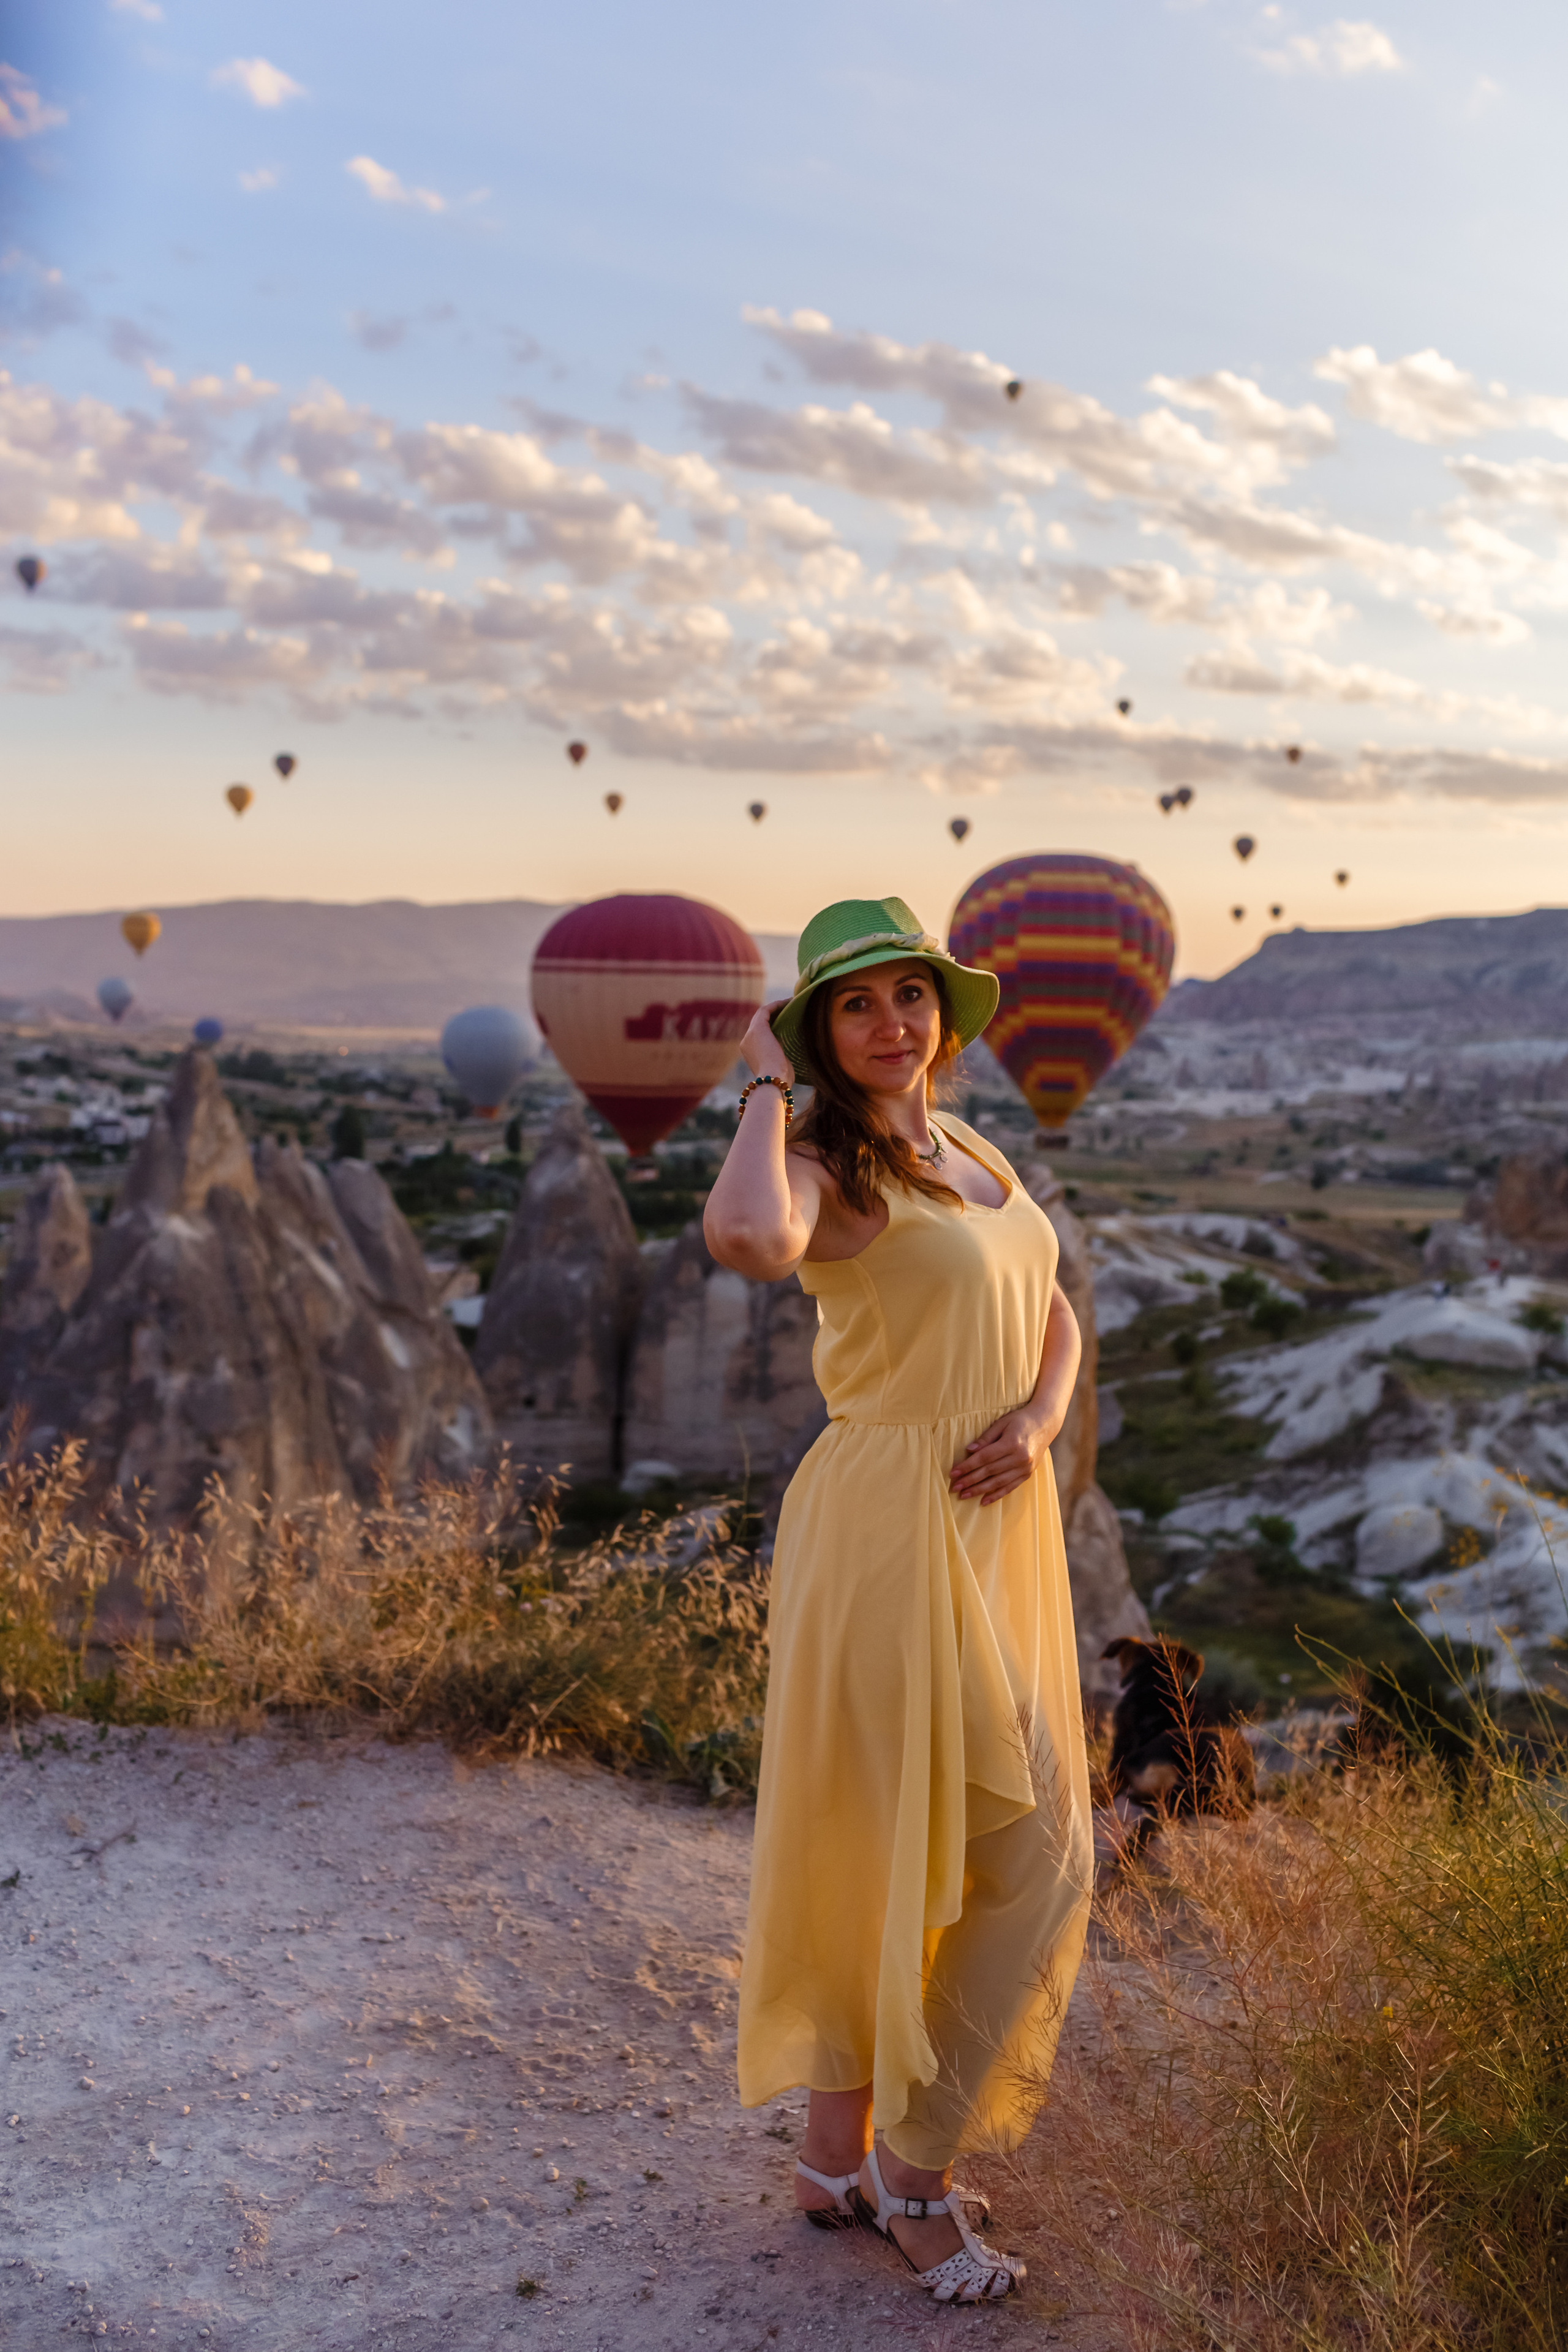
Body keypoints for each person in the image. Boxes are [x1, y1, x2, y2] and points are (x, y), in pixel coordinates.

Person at [703, 894, 1093, 2308]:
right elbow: (749, 1243)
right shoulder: (824, 1162)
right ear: (817, 1031)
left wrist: (1043, 1417)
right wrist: (759, 1080)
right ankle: (909, 2177)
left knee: (969, 1837)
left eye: (908, 997)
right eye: (853, 1005)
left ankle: (831, 2161)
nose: (889, 1024)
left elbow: (1049, 1298)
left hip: (997, 1521)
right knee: (1021, 1847)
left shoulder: (970, 1148)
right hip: (886, 1525)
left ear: (941, 1011)